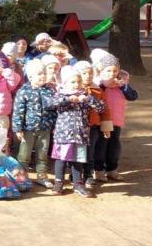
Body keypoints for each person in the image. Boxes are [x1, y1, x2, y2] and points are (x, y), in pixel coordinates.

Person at [48, 65, 105, 197]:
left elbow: (101, 108)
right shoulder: (60, 95)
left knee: (78, 160)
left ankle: (78, 184)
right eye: (73, 82)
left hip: (81, 135)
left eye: (78, 81)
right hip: (64, 135)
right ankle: (58, 182)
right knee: (61, 159)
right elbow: (50, 105)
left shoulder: (85, 95)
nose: (76, 84)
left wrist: (89, 99)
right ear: (65, 83)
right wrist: (67, 99)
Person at [93, 52, 138, 181]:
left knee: (114, 145)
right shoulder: (98, 84)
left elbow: (133, 96)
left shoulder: (122, 84)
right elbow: (94, 95)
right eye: (108, 71)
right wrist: (104, 84)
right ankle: (98, 169)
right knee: (101, 145)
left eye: (115, 70)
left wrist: (123, 86)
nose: (112, 74)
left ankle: (112, 169)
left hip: (117, 120)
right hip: (101, 120)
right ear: (102, 70)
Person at [12, 59, 56, 188]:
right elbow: (18, 111)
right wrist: (18, 128)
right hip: (28, 129)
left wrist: (53, 124)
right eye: (39, 74)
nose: (42, 76)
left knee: (42, 152)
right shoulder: (24, 91)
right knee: (24, 154)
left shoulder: (49, 91)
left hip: (45, 128)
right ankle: (22, 176)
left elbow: (53, 109)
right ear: (31, 77)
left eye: (43, 73)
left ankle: (41, 175)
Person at [74, 60, 112, 188]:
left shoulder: (97, 90)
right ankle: (76, 175)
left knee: (90, 152)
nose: (88, 76)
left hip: (93, 127)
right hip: (77, 128)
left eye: (90, 73)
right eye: (84, 73)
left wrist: (106, 127)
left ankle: (88, 175)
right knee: (79, 151)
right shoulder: (73, 90)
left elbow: (105, 109)